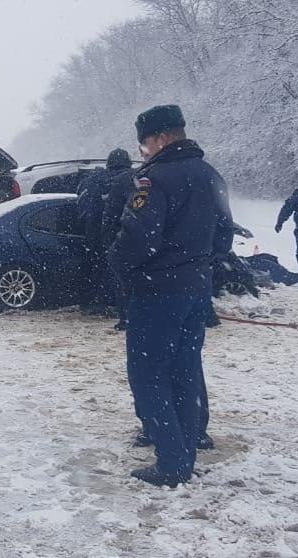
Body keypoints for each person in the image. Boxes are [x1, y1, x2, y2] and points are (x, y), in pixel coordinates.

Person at [110, 104, 233, 488]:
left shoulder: (154, 180)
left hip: (157, 291)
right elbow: (225, 237)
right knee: (185, 371)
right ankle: (188, 445)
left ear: (161, 138)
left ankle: (172, 462)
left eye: (144, 143)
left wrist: (118, 269)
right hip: (197, 289)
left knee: (148, 375)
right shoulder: (211, 175)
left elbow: (137, 239)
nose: (143, 151)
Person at [76, 149, 132, 311]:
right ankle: (119, 306)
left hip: (95, 233)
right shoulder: (135, 179)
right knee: (121, 272)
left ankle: (97, 304)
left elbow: (82, 206)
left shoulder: (94, 180)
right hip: (125, 234)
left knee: (96, 268)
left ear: (108, 163)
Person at [101, 164, 138, 330]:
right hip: (146, 242)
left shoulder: (118, 183)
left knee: (123, 283)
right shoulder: (146, 178)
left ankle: (126, 319)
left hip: (124, 240)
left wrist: (110, 245)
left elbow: (109, 218)